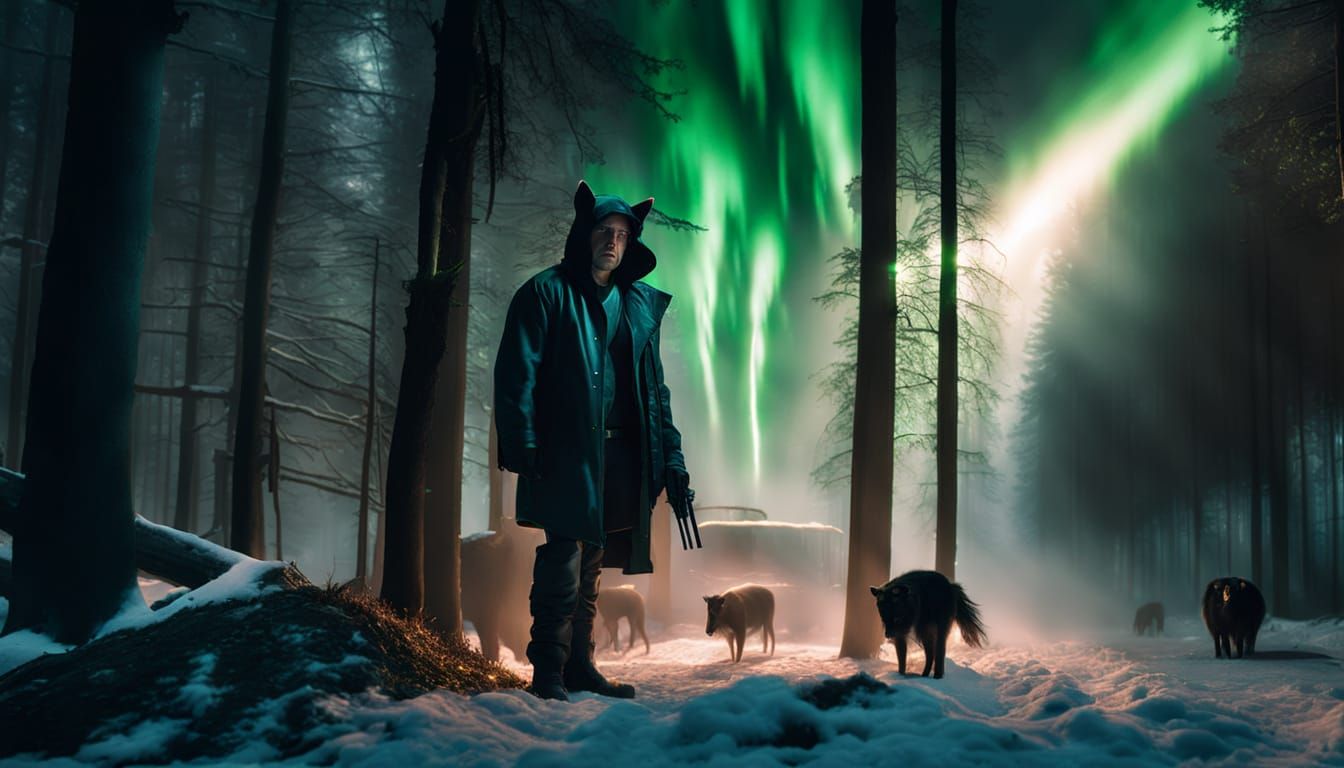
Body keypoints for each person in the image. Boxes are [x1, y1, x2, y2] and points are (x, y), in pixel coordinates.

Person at [493, 180, 692, 701]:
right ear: (585, 233)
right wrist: (524, 443)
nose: (613, 241)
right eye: (604, 230)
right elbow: (518, 375)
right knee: (563, 559)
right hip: (564, 452)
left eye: (623, 235)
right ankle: (549, 673)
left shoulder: (636, 306)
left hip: (619, 454)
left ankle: (581, 666)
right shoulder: (544, 292)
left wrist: (672, 457)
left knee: (593, 563)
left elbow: (655, 391)